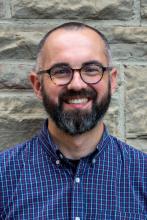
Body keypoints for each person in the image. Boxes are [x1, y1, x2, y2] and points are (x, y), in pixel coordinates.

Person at [0, 22, 147, 220]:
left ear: (112, 81)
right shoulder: (3, 176)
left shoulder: (143, 175)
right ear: (37, 85)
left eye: (91, 69)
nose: (76, 84)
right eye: (60, 71)